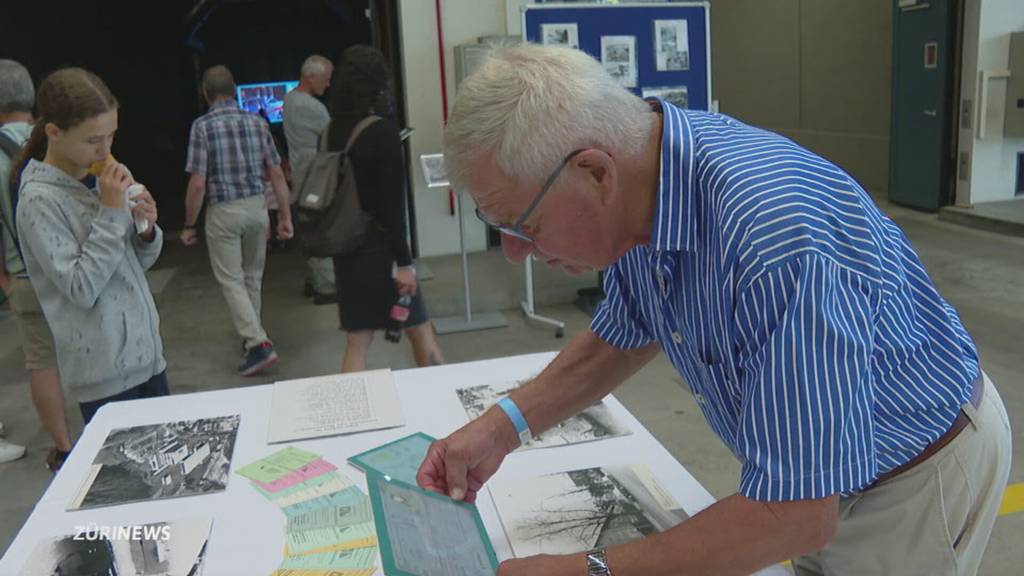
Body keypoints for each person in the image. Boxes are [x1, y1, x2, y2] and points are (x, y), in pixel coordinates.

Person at [417, 45, 1012, 576]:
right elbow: (623, 333)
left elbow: (798, 512)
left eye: (525, 225)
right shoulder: (640, 179)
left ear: (595, 172)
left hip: (909, 477)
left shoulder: (771, 240)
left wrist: (593, 570)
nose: (518, 253)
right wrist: (500, 429)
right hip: (825, 480)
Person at [14, 67, 169, 426]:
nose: (105, 149)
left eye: (111, 136)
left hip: (149, 357)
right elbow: (82, 288)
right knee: (130, 481)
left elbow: (134, 263)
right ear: (53, 132)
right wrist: (113, 214)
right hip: (103, 376)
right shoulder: (39, 201)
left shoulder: (105, 178)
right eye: (92, 140)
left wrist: (145, 229)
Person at [326, 46, 444, 372]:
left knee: (357, 340)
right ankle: (442, 400)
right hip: (381, 248)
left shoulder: (329, 131)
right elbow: (392, 207)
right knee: (420, 329)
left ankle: (354, 414)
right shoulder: (382, 132)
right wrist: (404, 263)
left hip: (346, 247)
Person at [181, 65, 294, 376]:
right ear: (235, 91)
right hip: (257, 208)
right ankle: (252, 341)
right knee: (252, 277)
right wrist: (284, 215)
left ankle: (257, 342)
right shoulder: (257, 123)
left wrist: (189, 224)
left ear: (206, 94)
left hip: (224, 212)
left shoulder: (202, 127)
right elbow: (276, 173)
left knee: (231, 280)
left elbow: (198, 183)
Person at [0, 59, 73, 470]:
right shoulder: (57, 139)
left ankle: (64, 447)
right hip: (70, 271)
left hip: (25, 277)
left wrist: (5, 279)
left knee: (41, 361)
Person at [283, 54, 336, 304]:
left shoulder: (289, 100)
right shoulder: (312, 107)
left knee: (309, 228)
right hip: (317, 176)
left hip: (301, 174)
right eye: (326, 78)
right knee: (321, 230)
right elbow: (333, 138)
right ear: (311, 76)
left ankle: (315, 280)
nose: (328, 84)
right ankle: (326, 287)